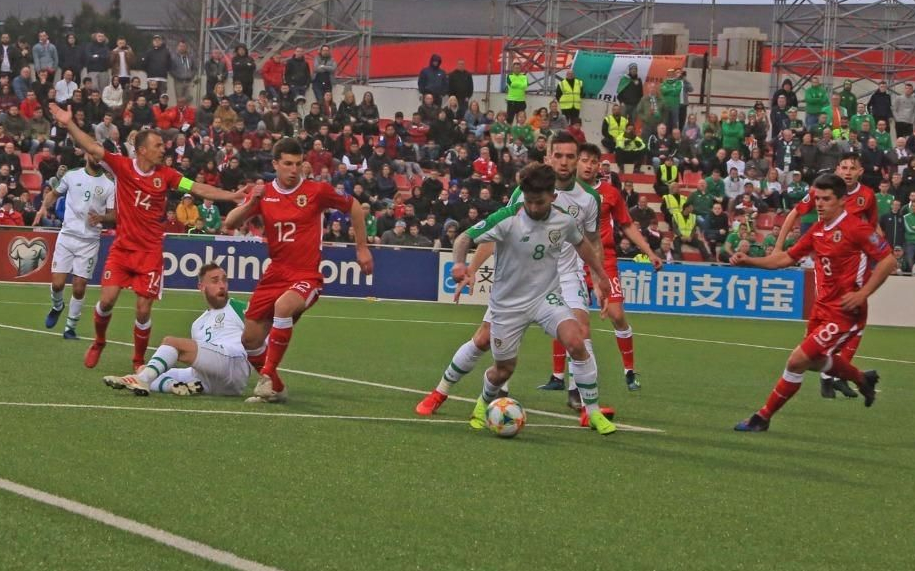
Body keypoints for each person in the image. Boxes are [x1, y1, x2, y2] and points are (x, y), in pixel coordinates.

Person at [415, 162, 618, 435]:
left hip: (546, 298)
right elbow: (464, 238)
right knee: (503, 370)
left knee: (576, 340)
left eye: (540, 202)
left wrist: (601, 276)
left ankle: (592, 413)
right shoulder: (507, 218)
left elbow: (582, 244)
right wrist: (459, 264)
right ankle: (481, 401)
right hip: (508, 306)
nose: (534, 207)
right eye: (530, 201)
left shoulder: (563, 220)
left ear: (553, 197)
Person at [46, 101, 245, 373]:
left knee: (142, 311)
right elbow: (92, 147)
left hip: (149, 253)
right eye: (158, 146)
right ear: (142, 150)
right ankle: (99, 341)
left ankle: (138, 361)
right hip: (123, 249)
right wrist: (68, 123)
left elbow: (197, 187)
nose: (163, 149)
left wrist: (230, 196)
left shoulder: (168, 176)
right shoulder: (122, 167)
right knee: (106, 301)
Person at [731, 173, 897, 431]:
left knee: (797, 361)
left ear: (842, 200)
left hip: (845, 312)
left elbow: (888, 261)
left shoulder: (856, 228)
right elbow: (785, 259)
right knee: (813, 362)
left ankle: (761, 418)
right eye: (817, 198)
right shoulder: (817, 231)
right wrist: (748, 261)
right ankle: (862, 378)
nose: (819, 204)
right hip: (821, 308)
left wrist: (862, 293)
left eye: (826, 199)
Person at [220, 138, 374, 404]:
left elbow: (355, 207)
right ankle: (276, 386)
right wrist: (250, 203)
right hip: (275, 273)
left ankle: (267, 375)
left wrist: (361, 248)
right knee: (250, 339)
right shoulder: (264, 193)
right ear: (275, 164)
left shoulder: (317, 191)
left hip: (305, 275)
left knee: (283, 307)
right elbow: (230, 223)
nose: (294, 170)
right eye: (287, 164)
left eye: (298, 164)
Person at [535, 144, 661, 395]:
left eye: (594, 161)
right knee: (564, 314)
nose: (589, 166)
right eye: (584, 160)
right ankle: (559, 376)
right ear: (576, 163)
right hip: (569, 259)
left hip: (603, 260)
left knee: (615, 313)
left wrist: (649, 251)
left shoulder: (609, 193)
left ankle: (629, 370)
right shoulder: (558, 190)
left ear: (599, 166)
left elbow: (626, 225)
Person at [770, 153, 877, 398]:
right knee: (834, 319)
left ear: (860, 171)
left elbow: (872, 227)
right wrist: (778, 246)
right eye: (844, 167)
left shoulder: (867, 196)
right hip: (827, 261)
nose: (848, 172)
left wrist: (876, 250)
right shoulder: (822, 190)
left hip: (853, 259)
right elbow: (795, 213)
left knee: (853, 316)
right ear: (838, 168)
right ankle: (835, 374)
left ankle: (833, 376)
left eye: (853, 168)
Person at [102, 263, 253, 397]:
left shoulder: (238, 307)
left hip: (234, 364)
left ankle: (142, 380)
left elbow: (264, 335)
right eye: (215, 281)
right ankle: (174, 386)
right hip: (212, 382)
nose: (222, 285)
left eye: (224, 280)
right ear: (201, 287)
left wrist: (267, 374)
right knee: (144, 368)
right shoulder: (197, 324)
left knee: (171, 342)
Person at [35, 152, 116, 340]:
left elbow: (114, 215)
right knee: (58, 284)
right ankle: (57, 306)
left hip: (89, 241)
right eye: (93, 154)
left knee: (79, 287)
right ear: (87, 155)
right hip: (67, 237)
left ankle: (70, 327)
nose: (96, 158)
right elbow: (54, 194)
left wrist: (102, 218)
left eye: (99, 156)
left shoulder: (109, 184)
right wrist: (42, 209)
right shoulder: (72, 175)